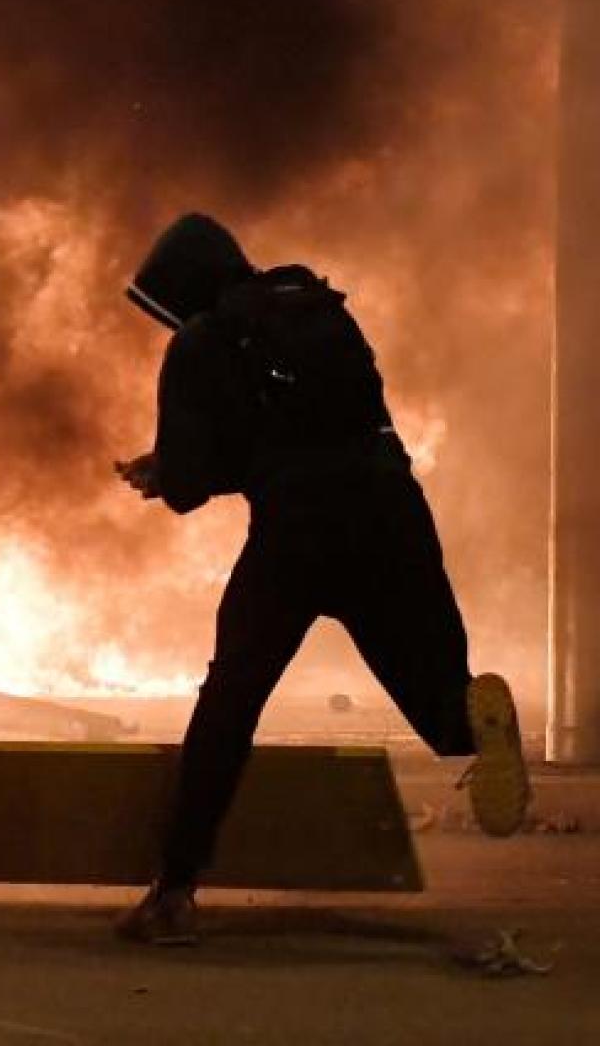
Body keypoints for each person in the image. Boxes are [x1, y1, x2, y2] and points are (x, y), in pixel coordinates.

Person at [113, 213, 529, 945]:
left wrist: (165, 474)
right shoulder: (315, 310)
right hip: (392, 513)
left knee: (230, 701)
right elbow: (322, 429)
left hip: (296, 538)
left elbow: (191, 483)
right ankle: (476, 725)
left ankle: (174, 890)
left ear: (182, 289)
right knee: (432, 691)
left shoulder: (201, 341)